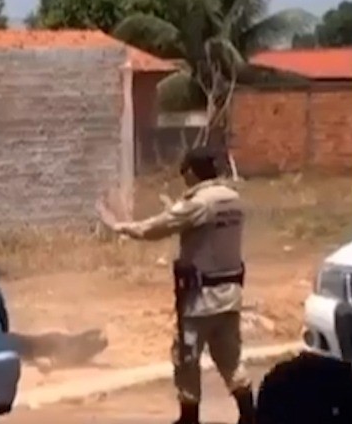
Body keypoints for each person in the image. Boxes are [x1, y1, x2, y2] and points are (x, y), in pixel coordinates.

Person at [98, 148, 254, 424]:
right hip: (230, 294)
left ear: (192, 172)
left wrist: (121, 226)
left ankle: (189, 418)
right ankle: (249, 414)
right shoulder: (233, 199)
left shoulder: (198, 204)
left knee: (186, 357)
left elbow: (155, 228)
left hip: (200, 300)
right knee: (230, 355)